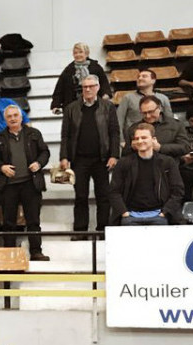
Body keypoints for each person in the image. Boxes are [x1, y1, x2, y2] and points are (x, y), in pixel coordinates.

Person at [59, 75, 120, 235]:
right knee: (80, 196)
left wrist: (114, 154)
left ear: (98, 87)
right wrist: (64, 157)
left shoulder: (108, 107)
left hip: (102, 159)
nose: (87, 89)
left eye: (91, 86)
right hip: (79, 160)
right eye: (85, 87)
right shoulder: (71, 108)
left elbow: (114, 133)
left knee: (104, 197)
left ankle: (103, 230)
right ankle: (80, 231)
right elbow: (65, 135)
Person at [0, 105, 50, 261]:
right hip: (8, 185)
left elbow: (45, 152)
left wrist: (38, 163)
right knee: (9, 222)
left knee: (33, 220)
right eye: (9, 116)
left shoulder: (34, 134)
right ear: (5, 120)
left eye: (15, 115)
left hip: (30, 183)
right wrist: (2, 167)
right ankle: (9, 253)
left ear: (21, 117)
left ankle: (36, 252)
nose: (13, 118)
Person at [109, 123, 185, 226]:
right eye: (136, 138)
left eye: (144, 137)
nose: (140, 141)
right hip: (130, 217)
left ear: (153, 139)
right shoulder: (124, 163)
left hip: (159, 216)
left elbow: (178, 190)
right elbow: (114, 191)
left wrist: (164, 212)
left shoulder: (167, 162)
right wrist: (125, 213)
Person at [50, 43, 111, 114]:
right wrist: (56, 105)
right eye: (75, 53)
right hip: (73, 107)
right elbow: (59, 88)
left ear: (87, 53)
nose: (78, 55)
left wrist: (105, 95)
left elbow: (104, 83)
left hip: (94, 105)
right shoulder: (68, 70)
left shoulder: (96, 67)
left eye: (80, 52)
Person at [122, 96, 190, 159]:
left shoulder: (175, 125)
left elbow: (185, 147)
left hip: (168, 167)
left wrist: (160, 148)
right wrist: (132, 148)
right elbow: (124, 154)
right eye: (144, 113)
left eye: (151, 112)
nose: (148, 116)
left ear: (159, 108)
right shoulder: (134, 128)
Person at [117, 70, 175, 136]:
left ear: (153, 80)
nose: (140, 78)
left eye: (144, 76)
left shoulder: (163, 98)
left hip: (159, 136)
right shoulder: (128, 98)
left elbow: (170, 121)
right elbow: (119, 120)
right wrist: (121, 141)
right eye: (138, 77)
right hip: (134, 137)